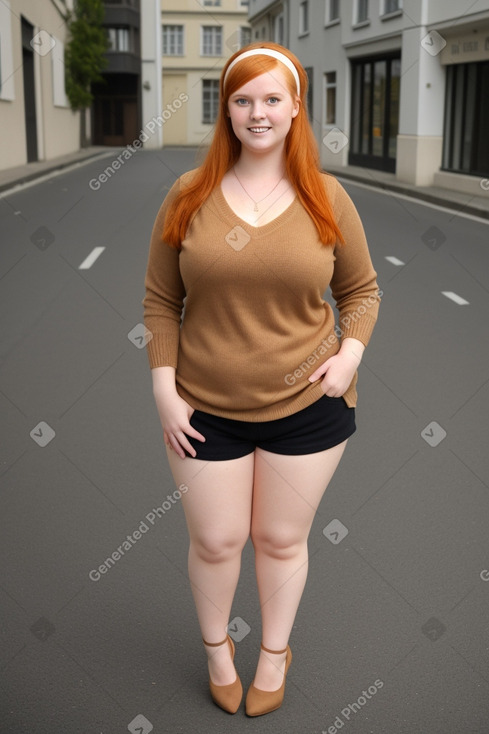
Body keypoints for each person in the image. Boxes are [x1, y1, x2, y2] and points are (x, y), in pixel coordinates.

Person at [143, 42, 380, 717]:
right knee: (216, 540)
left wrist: (349, 357)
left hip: (309, 405)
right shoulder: (187, 195)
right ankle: (218, 649)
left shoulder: (324, 197)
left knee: (280, 539)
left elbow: (361, 291)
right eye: (242, 98)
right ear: (226, 108)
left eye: (272, 98)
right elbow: (161, 301)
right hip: (201, 408)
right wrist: (164, 387)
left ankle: (274, 652)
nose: (257, 111)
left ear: (295, 107)